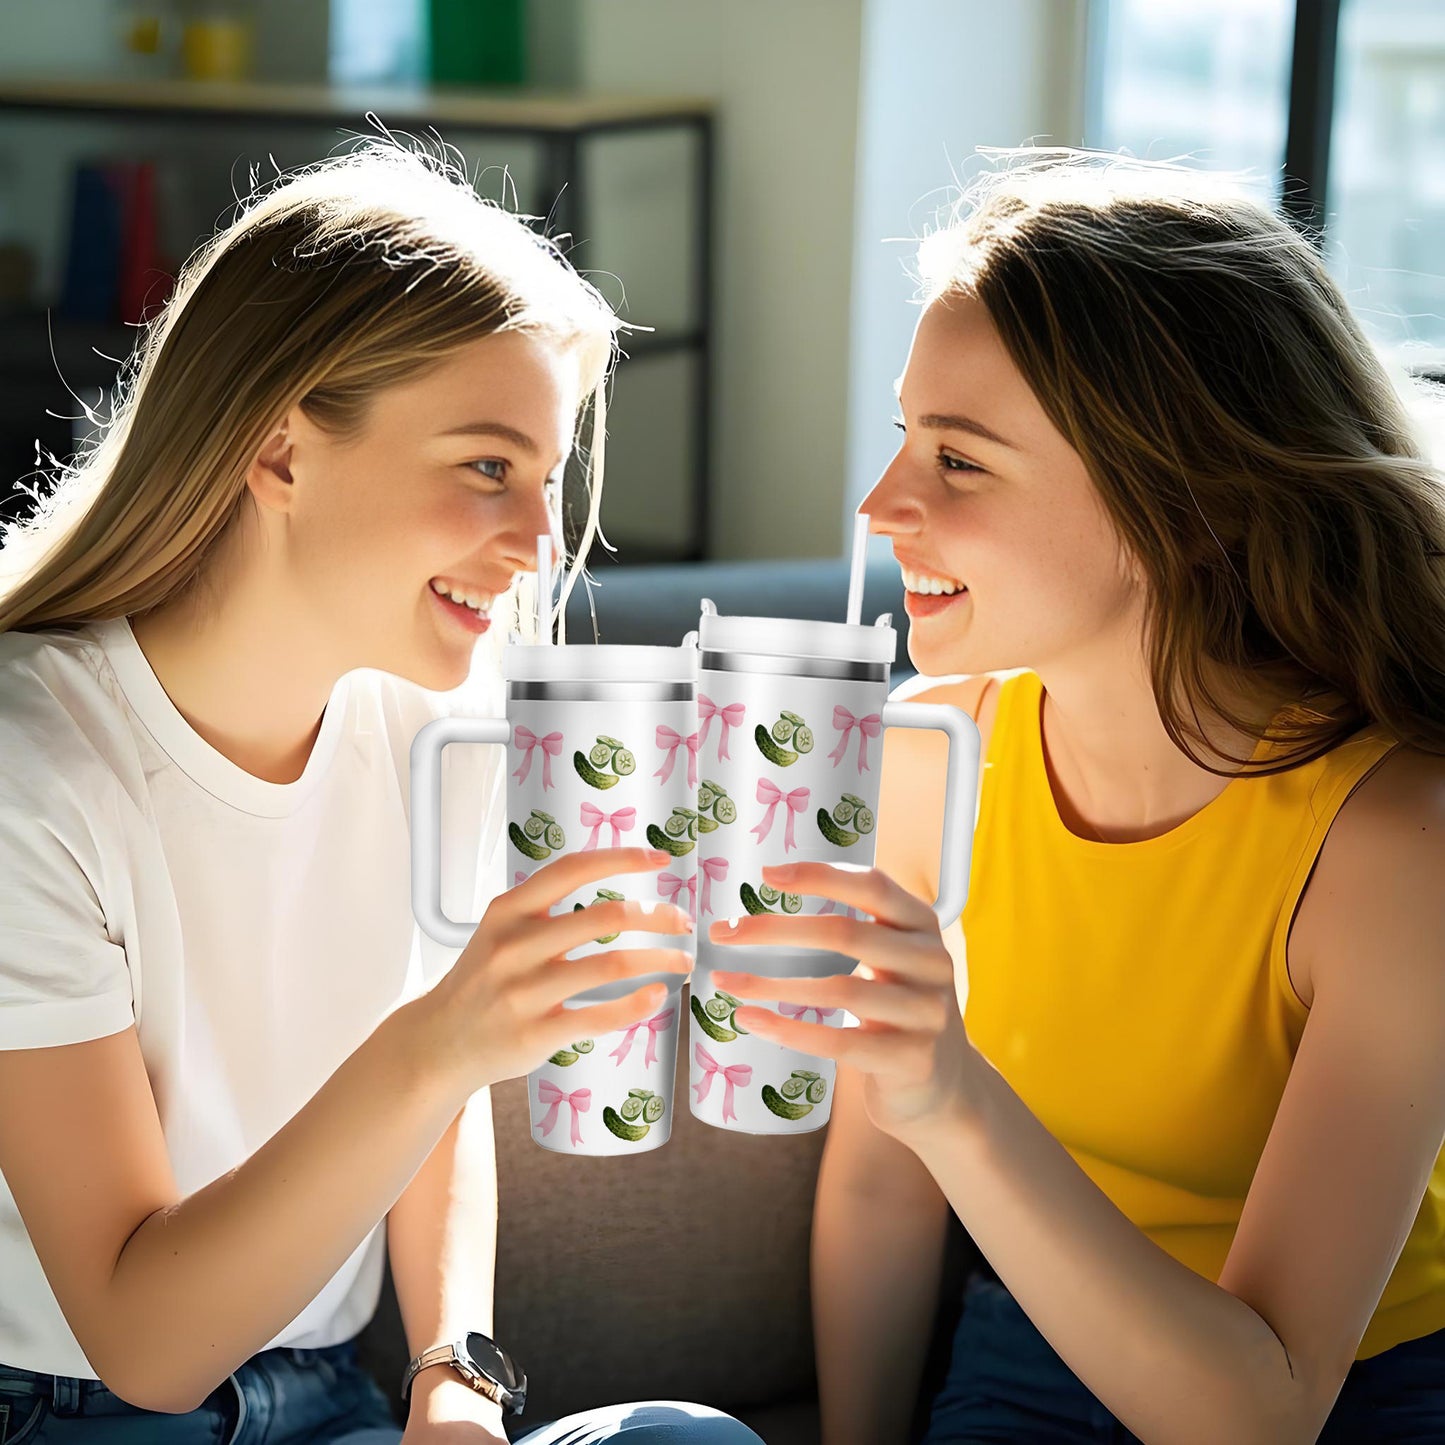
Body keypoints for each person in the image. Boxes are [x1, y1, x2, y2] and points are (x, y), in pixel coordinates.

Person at [0, 138, 763, 1445]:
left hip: (332, 1404)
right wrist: (444, 1036)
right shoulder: (36, 768)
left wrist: (453, 1377)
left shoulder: (435, 723)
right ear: (281, 453)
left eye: (545, 479)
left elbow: (433, 1111)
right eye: (486, 467)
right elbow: (145, 1343)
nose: (538, 543)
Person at [708, 150, 1445, 1444]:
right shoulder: (933, 752)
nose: (882, 504)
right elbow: (881, 1187)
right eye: (903, 435)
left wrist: (952, 1098)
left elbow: (1262, 1411)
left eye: (960, 459)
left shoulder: (1394, 845)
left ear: (1188, 508)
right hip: (1029, 1354)